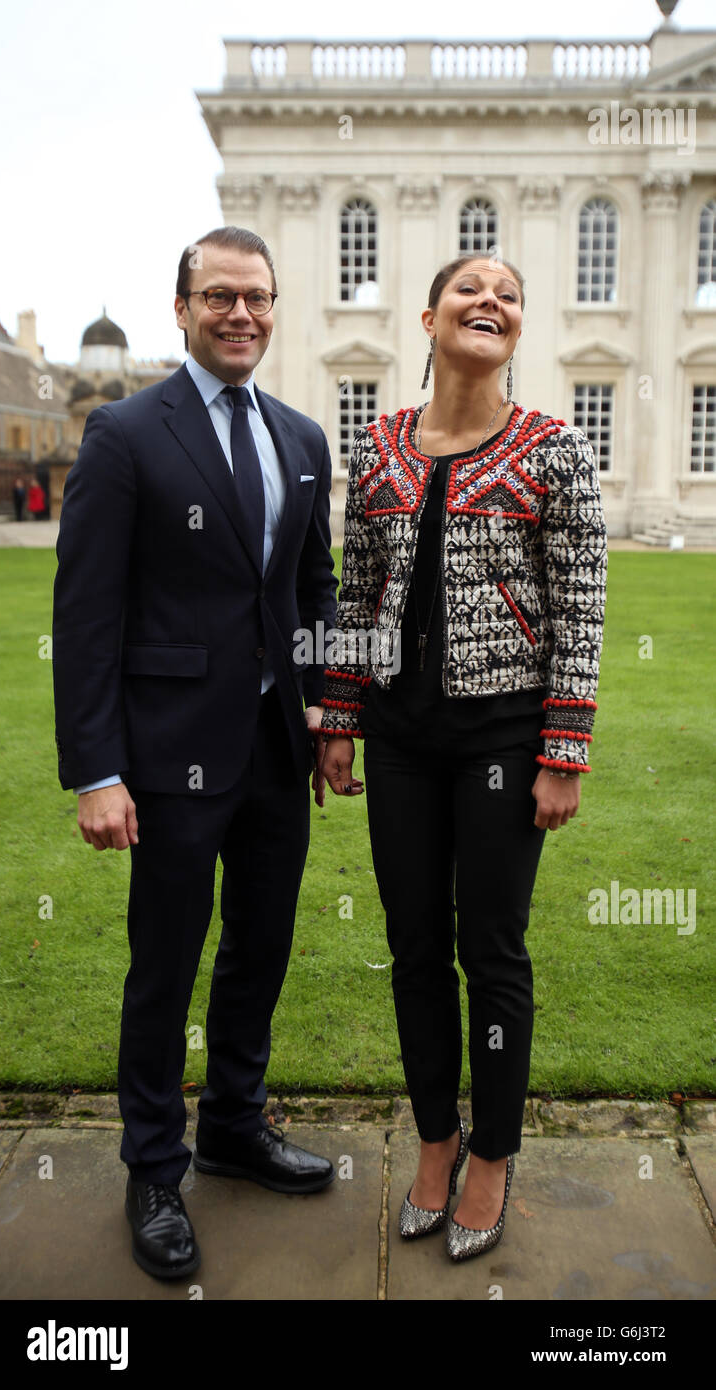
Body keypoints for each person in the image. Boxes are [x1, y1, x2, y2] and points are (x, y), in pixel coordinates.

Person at [52, 226, 338, 1281]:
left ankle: (232, 1125)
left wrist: (327, 712)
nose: (241, 314)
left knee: (258, 954)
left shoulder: (301, 439)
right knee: (164, 967)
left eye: (257, 297)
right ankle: (153, 1167)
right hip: (165, 755)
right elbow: (84, 613)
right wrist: (97, 769)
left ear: (273, 308)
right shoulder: (125, 433)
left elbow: (313, 588)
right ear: (181, 309)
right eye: (219, 296)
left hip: (273, 751)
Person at [316, 254, 607, 1261]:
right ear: (430, 317)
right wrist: (339, 718)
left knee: (491, 949)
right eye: (472, 292)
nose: (493, 303)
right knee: (411, 948)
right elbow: (358, 595)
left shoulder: (552, 450)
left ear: (516, 331)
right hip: (400, 735)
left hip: (501, 733)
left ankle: (491, 1153)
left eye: (509, 297)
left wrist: (562, 748)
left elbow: (580, 610)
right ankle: (434, 1139)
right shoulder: (383, 445)